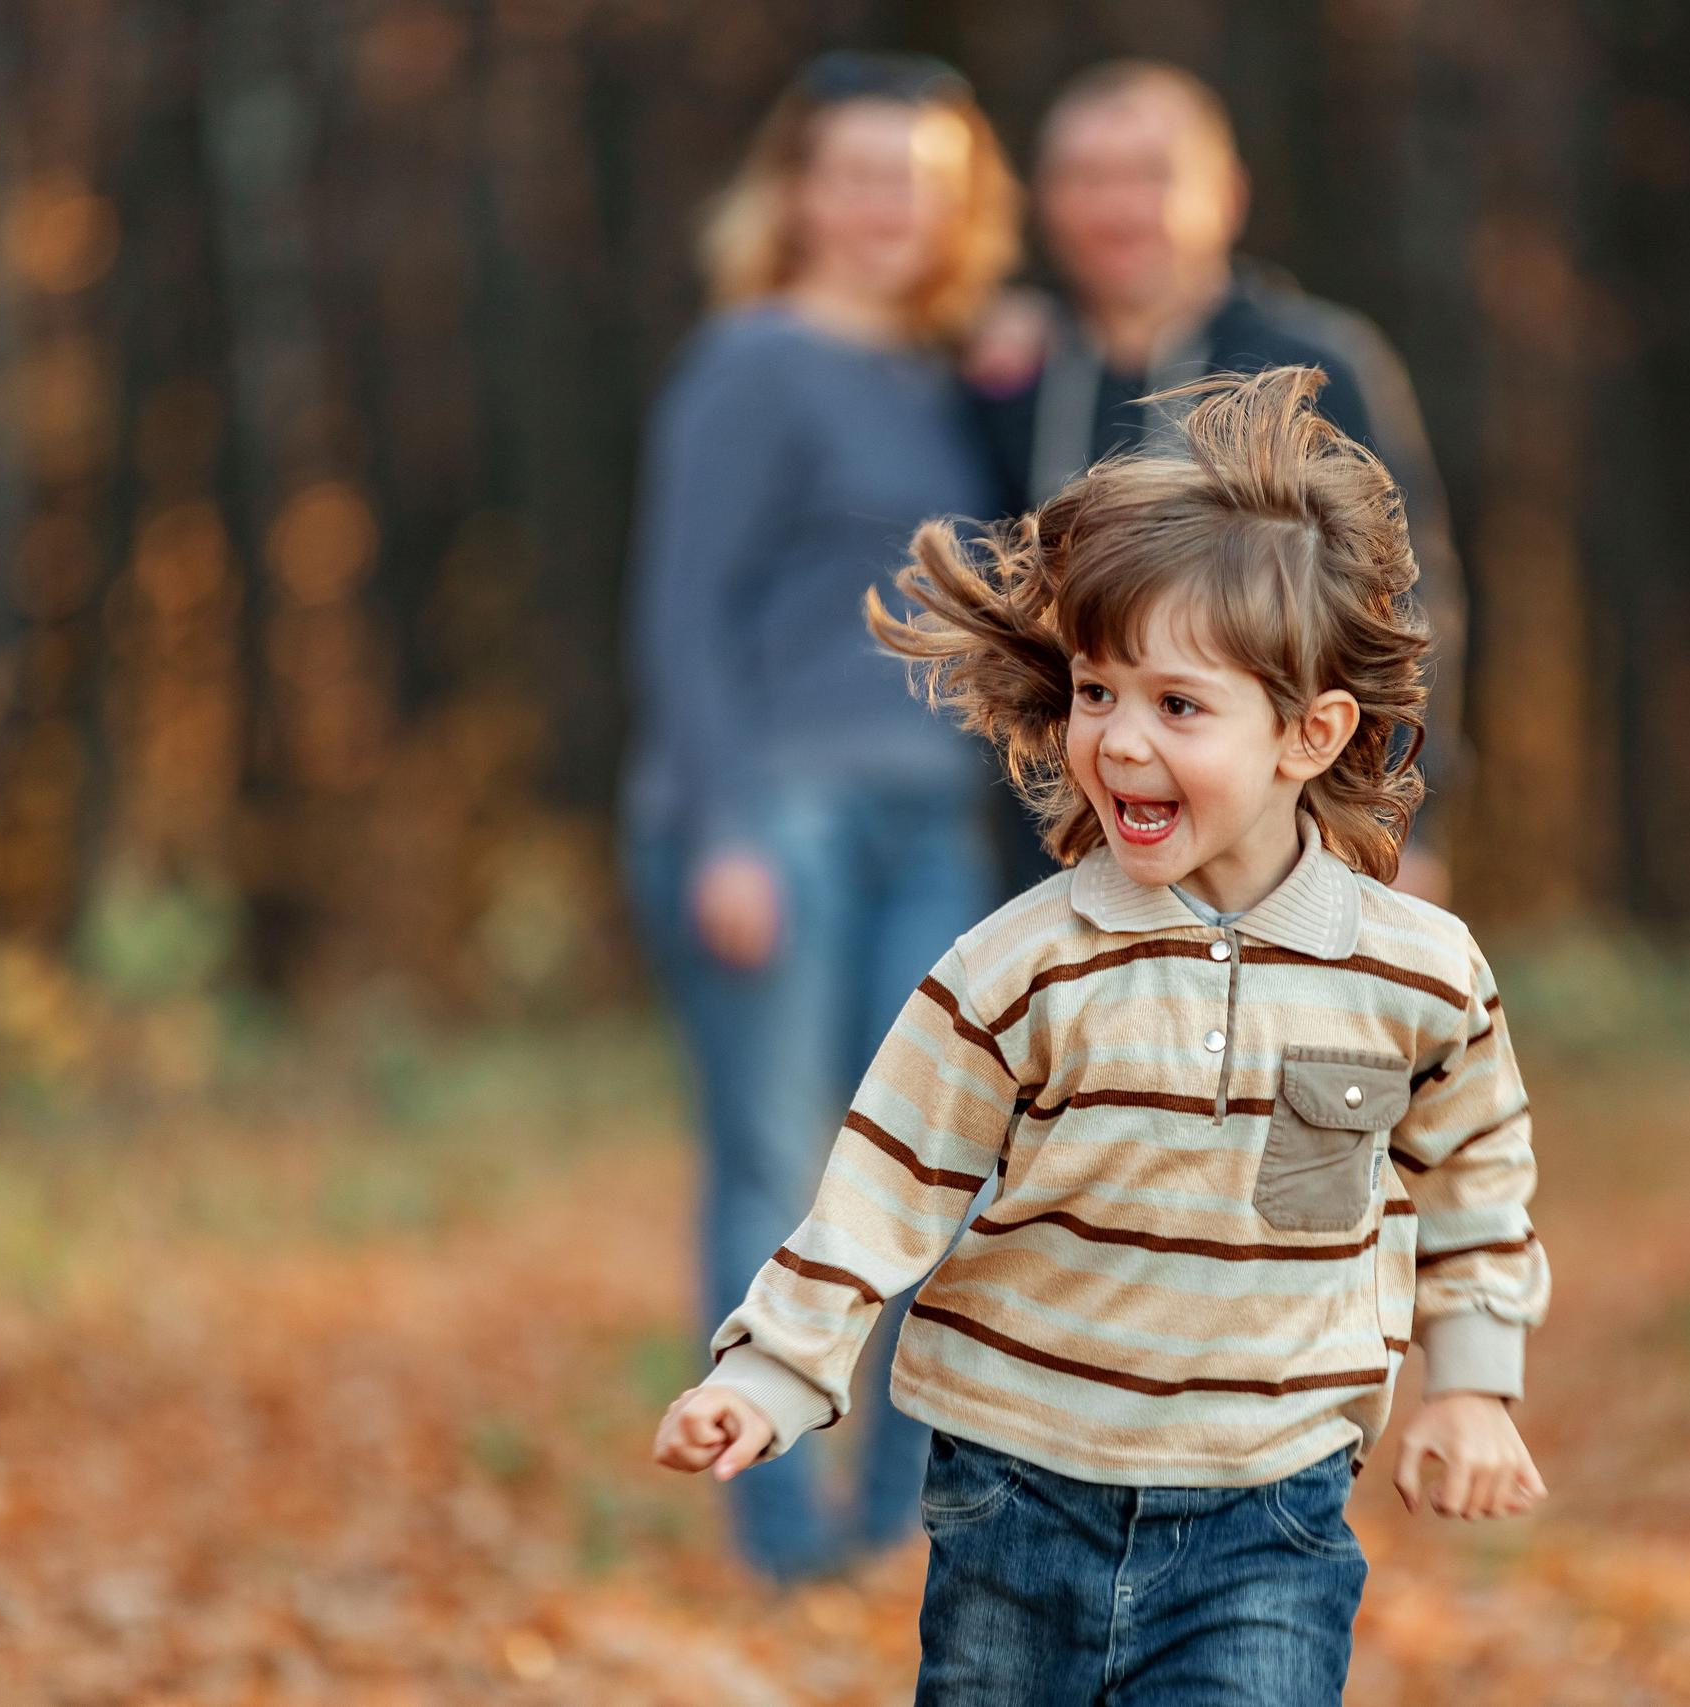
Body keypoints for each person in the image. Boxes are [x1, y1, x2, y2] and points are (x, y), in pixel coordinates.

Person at [653, 368, 1550, 1703]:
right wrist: (779, 1371)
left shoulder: (1413, 971)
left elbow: (1475, 1175)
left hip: (1269, 1511)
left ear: (1310, 732)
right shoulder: (1020, 968)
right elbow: (887, 1183)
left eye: (1178, 706)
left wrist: (1472, 1382)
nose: (1119, 741)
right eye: (1094, 692)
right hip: (1018, 1495)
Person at [617, 50, 1022, 1586]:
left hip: (933, 824)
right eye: (855, 173)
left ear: (959, 201)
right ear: (796, 192)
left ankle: (896, 1529)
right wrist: (721, 826)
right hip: (771, 814)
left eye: (916, 179)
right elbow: (683, 608)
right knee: (779, 1168)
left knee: (943, 1169)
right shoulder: (752, 358)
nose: (884, 206)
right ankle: (780, 1538)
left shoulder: (953, 375)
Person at [967, 59, 1471, 908]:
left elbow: (1408, 600)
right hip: (1056, 847)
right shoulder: (1011, 375)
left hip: (1286, 846)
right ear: (1045, 202)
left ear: (1226, 194)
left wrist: (1408, 816)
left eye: (1152, 174)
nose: (1119, 206)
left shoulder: (1316, 363)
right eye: (1088, 178)